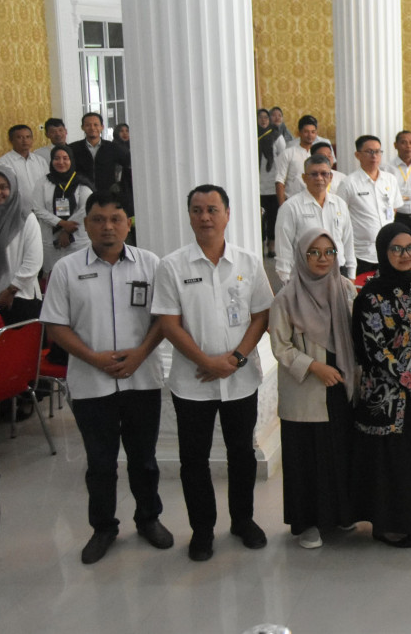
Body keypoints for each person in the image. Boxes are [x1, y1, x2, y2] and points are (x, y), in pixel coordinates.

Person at [38, 191, 171, 565]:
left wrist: (141, 353)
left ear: (128, 222)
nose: (108, 227)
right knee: (100, 462)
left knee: (144, 459)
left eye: (116, 219)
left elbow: (165, 319)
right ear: (86, 224)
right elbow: (55, 327)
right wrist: (94, 358)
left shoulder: (150, 264)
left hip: (142, 379)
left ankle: (149, 519)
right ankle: (103, 528)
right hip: (90, 383)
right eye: (98, 219)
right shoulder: (66, 268)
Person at [152, 184, 273, 562]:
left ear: (227, 214)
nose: (205, 217)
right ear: (189, 215)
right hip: (193, 383)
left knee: (242, 453)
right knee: (194, 459)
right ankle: (202, 531)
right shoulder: (172, 265)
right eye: (197, 210)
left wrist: (234, 359)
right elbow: (168, 323)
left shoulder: (249, 263)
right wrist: (206, 362)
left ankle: (243, 521)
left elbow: (261, 315)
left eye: (212, 209)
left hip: (240, 380)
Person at [351, 225, 411, 548]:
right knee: (391, 459)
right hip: (386, 394)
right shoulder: (370, 294)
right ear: (382, 252)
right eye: (396, 249)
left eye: (409, 249)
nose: (404, 256)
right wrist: (408, 381)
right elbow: (374, 348)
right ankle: (389, 524)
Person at [268, 227, 358, 549]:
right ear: (301, 255)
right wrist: (314, 367)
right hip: (306, 389)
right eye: (314, 252)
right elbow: (280, 346)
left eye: (329, 252)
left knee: (338, 451)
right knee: (307, 456)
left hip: (342, 384)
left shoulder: (346, 289)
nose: (323, 259)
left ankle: (340, 514)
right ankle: (308, 523)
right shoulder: (287, 298)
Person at [274, 155, 356, 284]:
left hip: (339, 273)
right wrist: (287, 281)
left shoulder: (340, 204)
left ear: (331, 177)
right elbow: (283, 248)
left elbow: (348, 241)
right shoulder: (290, 207)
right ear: (304, 178)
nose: (319, 178)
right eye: (313, 174)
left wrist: (351, 274)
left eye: (324, 174)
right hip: (306, 275)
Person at [337, 135, 404, 276]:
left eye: (378, 151)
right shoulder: (348, 183)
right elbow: (339, 217)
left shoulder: (390, 179)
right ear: (357, 155)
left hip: (388, 251)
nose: (374, 156)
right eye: (369, 152)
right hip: (361, 254)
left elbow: (394, 208)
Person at [33, 145, 93, 277]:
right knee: (54, 276)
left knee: (80, 274)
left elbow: (86, 207)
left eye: (65, 158)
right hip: (51, 240)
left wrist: (67, 230)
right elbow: (37, 208)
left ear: (71, 160)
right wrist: (61, 223)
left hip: (77, 240)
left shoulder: (81, 182)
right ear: (51, 161)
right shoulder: (43, 182)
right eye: (56, 158)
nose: (61, 162)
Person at [0, 170, 43, 324]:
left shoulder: (26, 218)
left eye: (3, 187)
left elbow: (34, 261)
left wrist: (10, 291)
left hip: (21, 298)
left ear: (13, 189)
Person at [0, 124, 50, 217]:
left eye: (28, 137)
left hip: (43, 212)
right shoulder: (2, 163)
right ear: (11, 140)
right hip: (17, 214)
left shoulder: (40, 161)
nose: (25, 140)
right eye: (19, 137)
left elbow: (48, 185)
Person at [257, 109, 286, 257]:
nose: (263, 120)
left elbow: (283, 160)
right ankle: (260, 244)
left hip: (272, 184)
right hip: (256, 185)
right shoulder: (251, 134)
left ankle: (272, 245)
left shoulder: (276, 137)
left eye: (265, 117)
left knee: (273, 217)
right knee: (258, 218)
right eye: (260, 117)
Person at [275, 115, 323, 204]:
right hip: (292, 201)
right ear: (299, 132)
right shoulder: (288, 153)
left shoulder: (319, 155)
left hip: (315, 201)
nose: (310, 135)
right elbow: (280, 181)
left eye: (313, 132)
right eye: (306, 132)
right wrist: (282, 206)